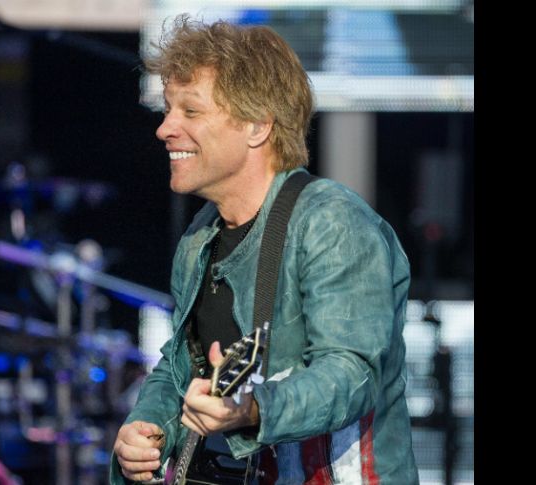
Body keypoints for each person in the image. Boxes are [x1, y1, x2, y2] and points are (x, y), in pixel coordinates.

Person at [111, 14, 418, 485]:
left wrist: (252, 409)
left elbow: (351, 373)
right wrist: (146, 431)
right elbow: (180, 366)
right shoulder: (200, 235)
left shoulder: (332, 223)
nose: (164, 128)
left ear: (257, 126)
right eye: (168, 110)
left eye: (190, 112)